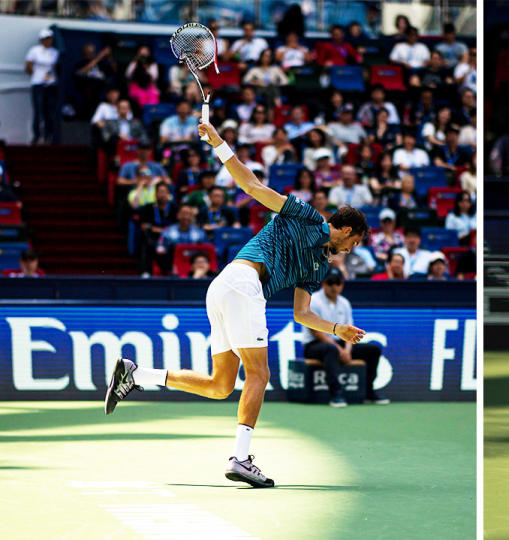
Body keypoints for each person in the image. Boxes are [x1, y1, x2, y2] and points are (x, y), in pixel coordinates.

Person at [105, 119, 370, 489]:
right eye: (354, 243)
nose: (351, 250)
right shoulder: (306, 214)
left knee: (220, 385)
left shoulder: (319, 264)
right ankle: (241, 459)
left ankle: (136, 375)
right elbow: (251, 184)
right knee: (259, 375)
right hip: (243, 283)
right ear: (345, 230)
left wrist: (336, 328)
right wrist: (218, 143)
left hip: (226, 288)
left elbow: (301, 313)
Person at [302, 269, 389, 407]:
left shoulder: (345, 303)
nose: (334, 287)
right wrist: (340, 350)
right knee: (331, 349)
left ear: (342, 285)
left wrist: (347, 350)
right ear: (323, 284)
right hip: (314, 345)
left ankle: (368, 392)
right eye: (330, 282)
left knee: (374, 350)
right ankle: (336, 394)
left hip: (340, 344)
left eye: (337, 283)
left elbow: (350, 332)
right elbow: (316, 332)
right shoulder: (314, 301)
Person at [25, 28, 60, 145]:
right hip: (38, 84)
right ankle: (36, 136)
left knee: (49, 111)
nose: (48, 41)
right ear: (41, 40)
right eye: (46, 39)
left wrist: (50, 77)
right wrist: (36, 76)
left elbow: (55, 68)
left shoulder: (55, 52)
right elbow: (28, 66)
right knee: (38, 110)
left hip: (50, 84)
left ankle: (48, 136)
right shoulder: (34, 51)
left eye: (50, 39)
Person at [138, 182, 177, 276]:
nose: (162, 195)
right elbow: (143, 225)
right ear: (155, 194)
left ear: (169, 194)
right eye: (160, 192)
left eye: (165, 192)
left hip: (171, 238)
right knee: (147, 245)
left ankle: (171, 271)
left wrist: (164, 231)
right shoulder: (147, 208)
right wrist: (153, 228)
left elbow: (177, 224)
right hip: (153, 237)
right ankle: (146, 271)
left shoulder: (174, 208)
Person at [73, 43, 114, 120]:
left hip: (101, 91)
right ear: (84, 54)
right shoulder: (81, 63)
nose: (92, 55)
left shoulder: (101, 64)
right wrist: (100, 56)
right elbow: (81, 72)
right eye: (90, 53)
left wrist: (109, 57)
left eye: (93, 53)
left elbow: (114, 70)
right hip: (87, 91)